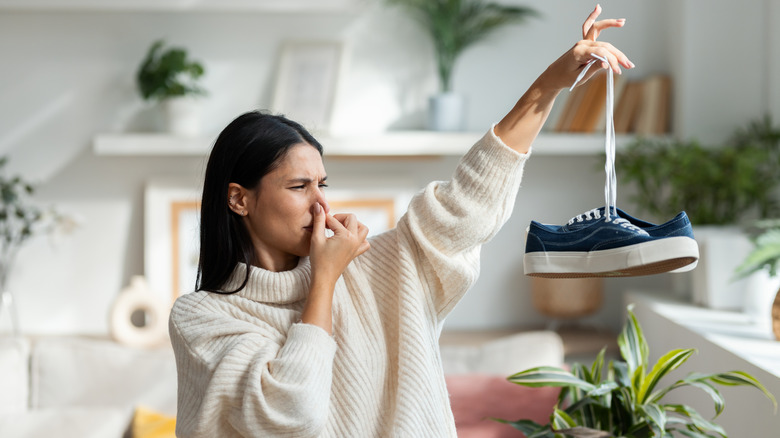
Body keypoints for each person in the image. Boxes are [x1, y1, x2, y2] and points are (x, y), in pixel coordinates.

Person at [169, 5, 634, 437]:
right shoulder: (203, 318)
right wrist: (325, 279)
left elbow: (465, 207)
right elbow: (289, 413)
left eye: (322, 185)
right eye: (298, 187)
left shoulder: (378, 267)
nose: (321, 207)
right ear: (239, 200)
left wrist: (546, 87)